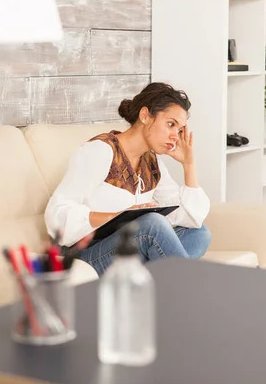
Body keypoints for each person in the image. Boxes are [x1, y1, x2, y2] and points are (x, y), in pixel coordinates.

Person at [44, 82, 212, 275]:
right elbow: (57, 214)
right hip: (87, 254)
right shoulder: (101, 151)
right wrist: (119, 217)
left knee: (200, 234)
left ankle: (150, 285)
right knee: (153, 224)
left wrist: (188, 165)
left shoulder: (151, 161)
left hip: (125, 252)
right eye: (171, 124)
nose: (176, 136)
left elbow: (193, 218)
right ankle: (186, 294)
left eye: (180, 129)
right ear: (144, 116)